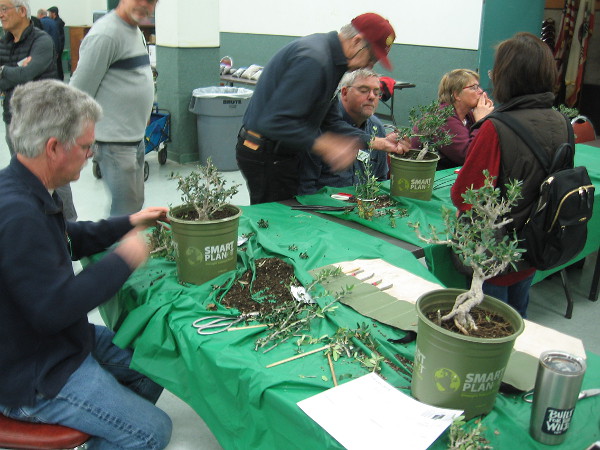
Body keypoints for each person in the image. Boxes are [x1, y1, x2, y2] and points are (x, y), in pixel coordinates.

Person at [0, 79, 172, 448]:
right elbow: (55, 309)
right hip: (35, 372)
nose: (91, 154)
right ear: (53, 148)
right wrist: (126, 257)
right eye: (85, 147)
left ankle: (108, 425)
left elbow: (66, 237)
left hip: (56, 343)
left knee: (160, 360)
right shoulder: (18, 215)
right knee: (153, 431)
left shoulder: (25, 187)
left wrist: (130, 221)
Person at [451, 32, 572, 317]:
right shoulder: (562, 121)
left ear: (506, 77)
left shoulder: (495, 128)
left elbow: (465, 196)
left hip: (496, 255)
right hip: (534, 246)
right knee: (518, 322)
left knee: (490, 327)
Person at [236, 12, 409, 205]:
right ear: (357, 41)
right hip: (266, 155)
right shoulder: (314, 61)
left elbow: (331, 122)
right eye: (372, 58)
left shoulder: (332, 61)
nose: (370, 67)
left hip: (282, 153)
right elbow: (274, 121)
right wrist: (326, 145)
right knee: (276, 224)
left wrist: (378, 143)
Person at [70, 0, 156, 216]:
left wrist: (144, 113)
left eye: (152, 1)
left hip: (134, 138)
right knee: (125, 212)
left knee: (134, 204)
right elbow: (77, 93)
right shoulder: (105, 34)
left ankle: (127, 246)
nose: (146, 6)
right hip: (114, 143)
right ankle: (120, 249)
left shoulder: (134, 30)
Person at [0, 0, 78, 220]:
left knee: (55, 175)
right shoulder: (4, 43)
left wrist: (5, 71)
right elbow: (15, 77)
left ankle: (68, 228)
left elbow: (27, 75)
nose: (1, 15)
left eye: (4, 9)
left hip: (45, 125)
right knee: (25, 177)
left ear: (22, 11)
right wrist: (12, 72)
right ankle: (37, 225)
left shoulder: (41, 41)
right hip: (13, 123)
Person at [298, 68, 389, 194]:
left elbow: (380, 180)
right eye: (364, 90)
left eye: (377, 92)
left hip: (363, 207)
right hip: (323, 207)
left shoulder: (377, 128)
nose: (372, 97)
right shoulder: (322, 126)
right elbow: (305, 186)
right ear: (345, 93)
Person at [411, 69, 495, 170]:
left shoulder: (468, 115)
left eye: (478, 86)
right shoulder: (443, 117)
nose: (481, 91)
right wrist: (481, 122)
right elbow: (468, 156)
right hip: (424, 176)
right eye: (474, 88)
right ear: (457, 95)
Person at [46, 6, 64, 80]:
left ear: (54, 13)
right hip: (60, 46)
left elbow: (57, 37)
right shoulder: (58, 22)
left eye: (50, 13)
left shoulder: (57, 23)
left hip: (57, 47)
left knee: (58, 65)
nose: (49, 14)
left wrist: (56, 49)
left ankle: (59, 79)